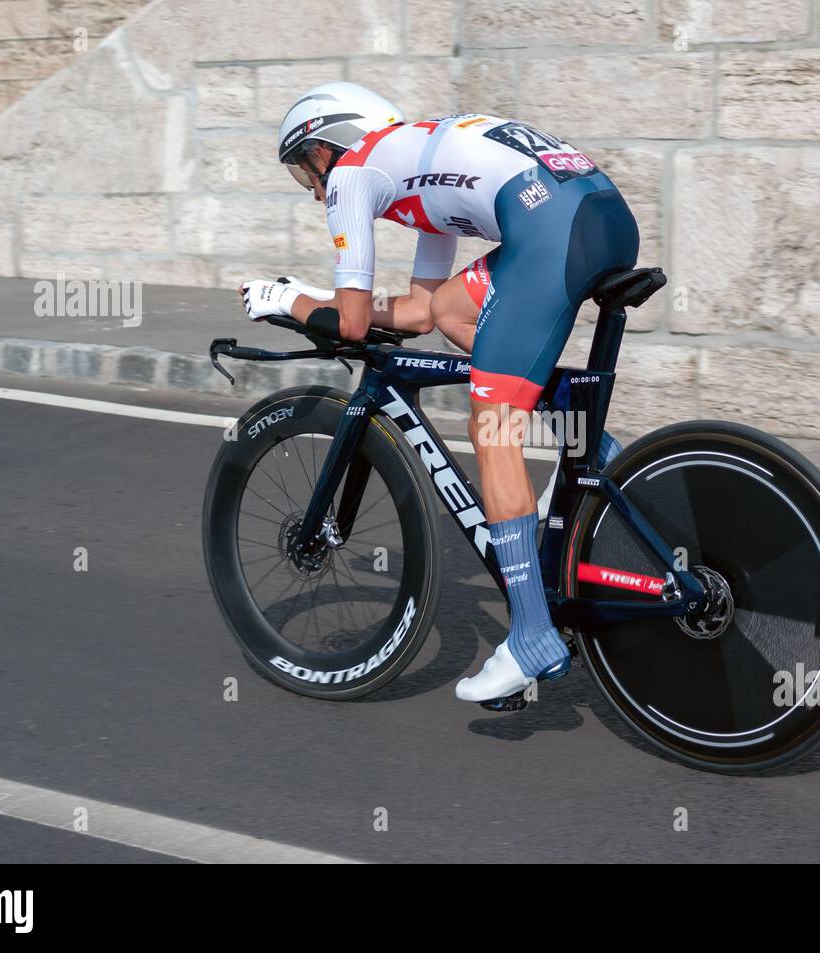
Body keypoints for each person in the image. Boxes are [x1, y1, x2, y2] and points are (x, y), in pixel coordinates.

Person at [238, 82, 638, 705]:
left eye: (303, 172)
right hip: (600, 214)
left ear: (325, 147)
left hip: (552, 232)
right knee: (458, 309)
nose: (314, 191)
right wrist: (328, 297)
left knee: (493, 429)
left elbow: (348, 324)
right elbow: (422, 313)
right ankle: (591, 449)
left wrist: (285, 298)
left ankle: (533, 634)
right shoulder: (421, 170)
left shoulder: (352, 172)